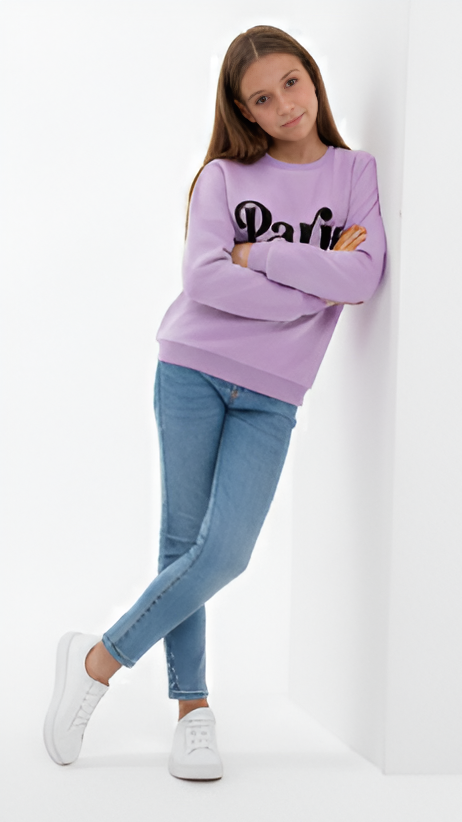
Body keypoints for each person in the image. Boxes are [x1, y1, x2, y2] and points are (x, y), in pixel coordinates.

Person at [43, 24, 387, 781]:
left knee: (225, 552)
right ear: (243, 110)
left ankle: (96, 661)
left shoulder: (354, 171)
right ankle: (192, 711)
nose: (285, 105)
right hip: (192, 368)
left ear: (312, 78)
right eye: (262, 99)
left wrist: (259, 254)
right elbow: (204, 279)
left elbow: (362, 278)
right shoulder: (223, 178)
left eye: (291, 83)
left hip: (273, 395)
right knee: (182, 546)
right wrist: (312, 284)